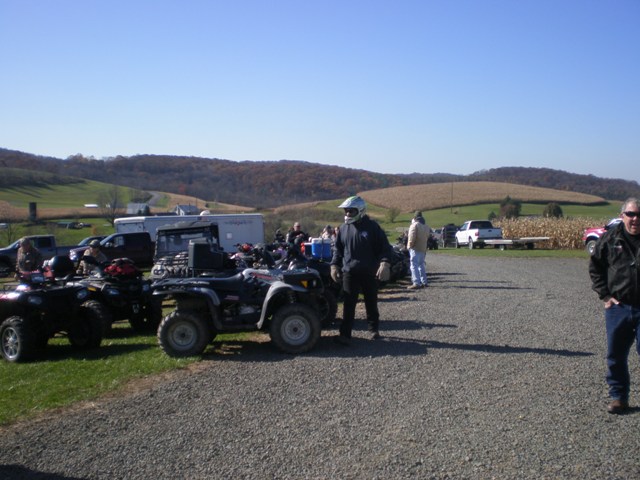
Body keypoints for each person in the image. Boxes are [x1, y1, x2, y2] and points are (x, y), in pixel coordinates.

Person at [589, 197, 640, 414]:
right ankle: (619, 397)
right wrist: (605, 295)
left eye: (639, 215)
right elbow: (595, 267)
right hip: (619, 308)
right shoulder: (610, 239)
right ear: (622, 216)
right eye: (631, 214)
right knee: (616, 355)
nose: (635, 219)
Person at [331, 195, 394, 344]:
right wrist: (334, 265)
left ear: (360, 211)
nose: (347, 214)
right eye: (346, 211)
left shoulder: (373, 227)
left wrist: (385, 263)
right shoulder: (343, 228)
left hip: (368, 271)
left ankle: (373, 330)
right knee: (348, 303)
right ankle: (345, 335)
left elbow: (385, 248)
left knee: (371, 302)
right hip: (349, 272)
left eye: (351, 211)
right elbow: (338, 250)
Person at [407, 213, 429, 289]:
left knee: (413, 265)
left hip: (415, 248)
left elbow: (411, 236)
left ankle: (416, 282)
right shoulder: (426, 226)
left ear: (415, 217)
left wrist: (410, 246)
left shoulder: (414, 225)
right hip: (423, 248)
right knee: (421, 265)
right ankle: (424, 282)